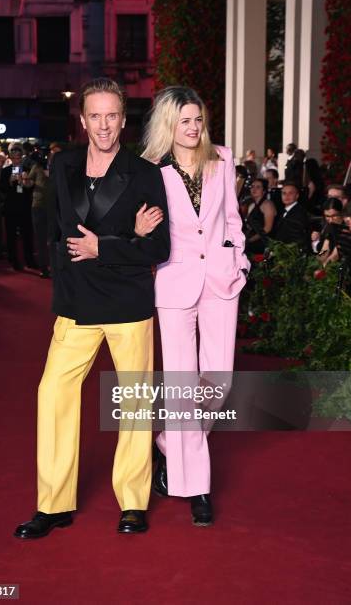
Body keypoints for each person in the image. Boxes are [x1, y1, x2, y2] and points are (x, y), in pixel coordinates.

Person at [14, 78, 170, 539]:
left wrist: (108, 246)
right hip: (77, 301)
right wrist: (127, 239)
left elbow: (158, 245)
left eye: (112, 115)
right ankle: (54, 503)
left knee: (135, 403)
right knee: (53, 395)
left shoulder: (144, 174)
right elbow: (57, 232)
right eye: (95, 116)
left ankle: (133, 501)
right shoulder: (62, 164)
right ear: (83, 120)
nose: (104, 125)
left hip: (127, 304)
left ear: (124, 119)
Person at [141, 86, 250, 526]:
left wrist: (237, 257)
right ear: (169, 124)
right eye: (184, 120)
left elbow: (232, 218)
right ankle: (197, 486)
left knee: (217, 383)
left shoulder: (221, 158)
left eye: (198, 119)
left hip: (222, 279)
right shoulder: (151, 170)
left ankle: (168, 444)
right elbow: (145, 226)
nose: (193, 127)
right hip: (174, 280)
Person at [0, 144, 36, 271]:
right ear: (10, 158)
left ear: (21, 157)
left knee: (27, 235)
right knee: (11, 236)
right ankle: (14, 260)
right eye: (14, 158)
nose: (16, 161)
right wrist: (9, 181)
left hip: (24, 206)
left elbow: (33, 189)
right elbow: (1, 189)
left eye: (18, 158)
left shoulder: (27, 169)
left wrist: (25, 183)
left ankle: (29, 260)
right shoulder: (5, 171)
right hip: (11, 207)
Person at [274, 181, 311, 252]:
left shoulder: (299, 213)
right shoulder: (284, 210)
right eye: (284, 193)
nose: (286, 196)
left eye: (290, 193)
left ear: (297, 196)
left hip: (292, 254)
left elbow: (299, 239)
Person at [245, 178, 277, 253]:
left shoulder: (268, 204)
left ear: (264, 191)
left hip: (263, 243)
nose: (254, 189)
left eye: (258, 187)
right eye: (252, 186)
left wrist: (250, 240)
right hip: (251, 240)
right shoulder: (251, 205)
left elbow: (267, 229)